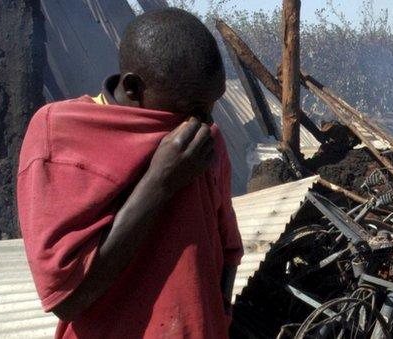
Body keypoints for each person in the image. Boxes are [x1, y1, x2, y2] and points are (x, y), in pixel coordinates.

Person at [16, 8, 242, 338]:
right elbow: (66, 299)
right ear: (133, 88)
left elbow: (228, 249)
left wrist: (219, 313)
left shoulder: (205, 138)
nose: (205, 122)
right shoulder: (62, 135)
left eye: (212, 106)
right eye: (192, 109)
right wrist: (158, 182)